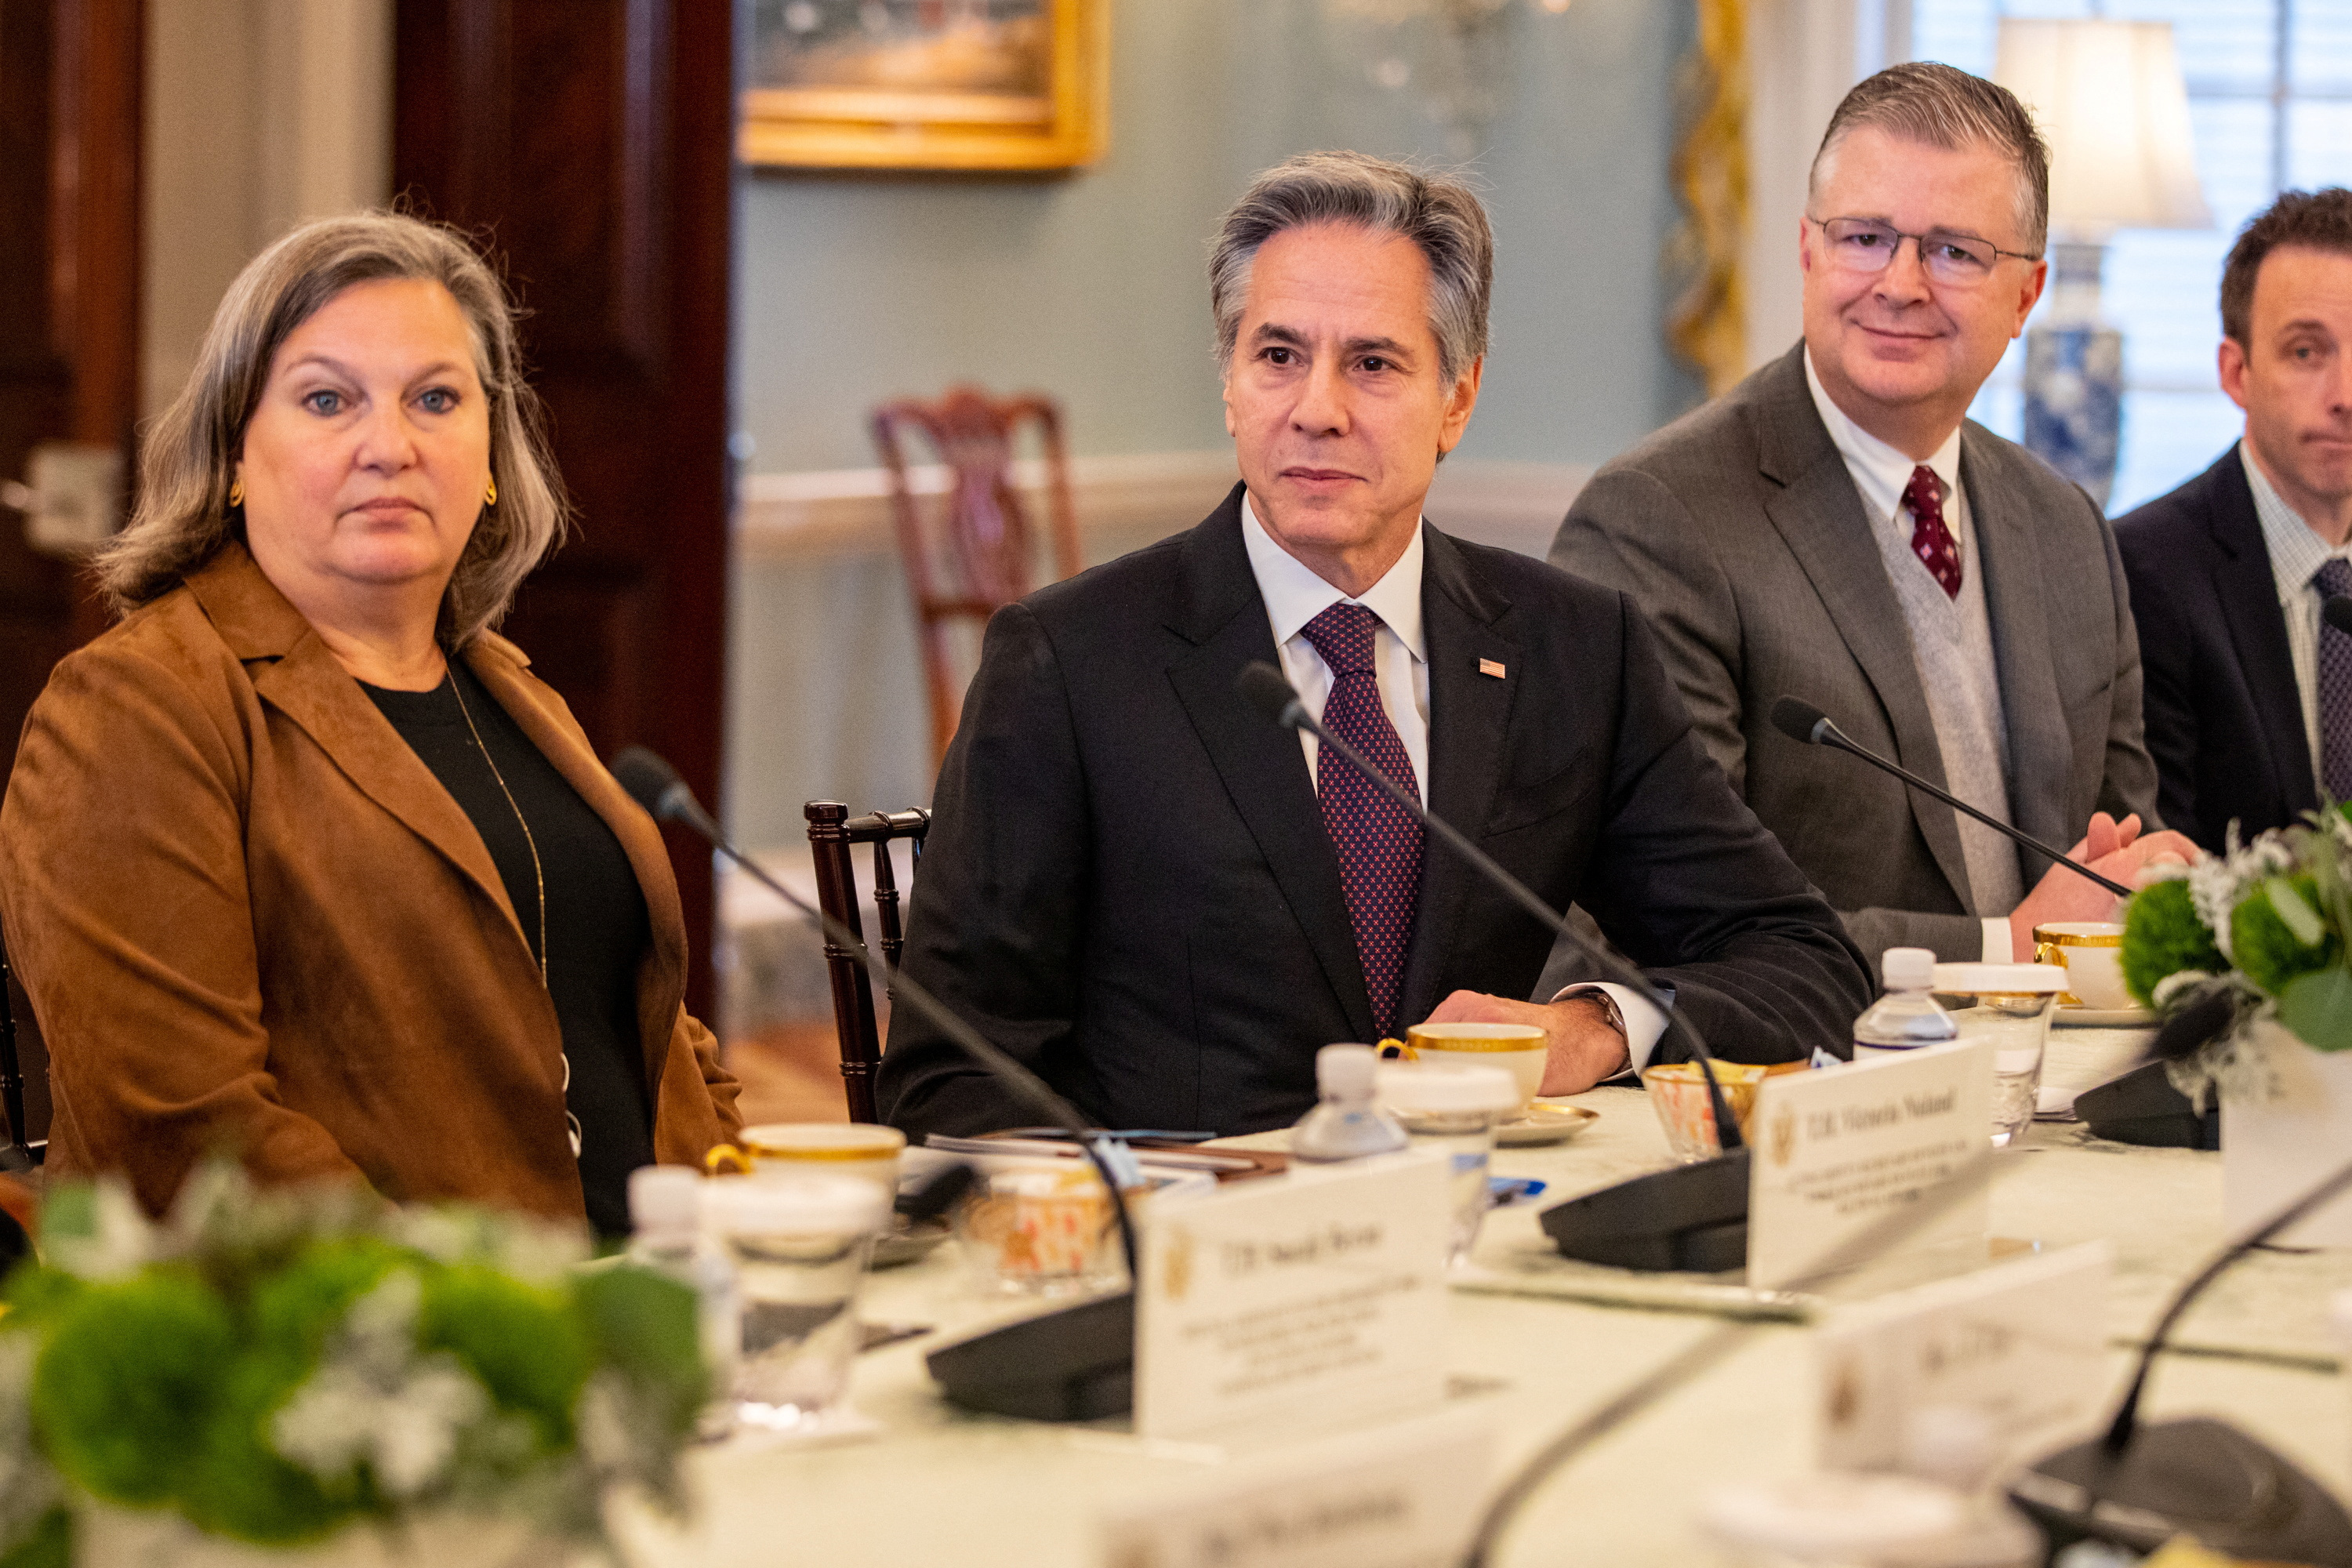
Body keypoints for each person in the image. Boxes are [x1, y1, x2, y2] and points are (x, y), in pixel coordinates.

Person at [877, 152, 1872, 1139]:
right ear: (1229, 386)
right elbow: (950, 1080)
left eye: (1372, 362)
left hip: (1491, 1247)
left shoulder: (1573, 650)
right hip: (1193, 1256)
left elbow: (1799, 958)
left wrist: (1596, 1027)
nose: (1317, 408)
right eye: (1277, 356)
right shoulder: (1068, 663)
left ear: (1459, 398)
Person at [0, 214, 740, 1231]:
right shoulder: (137, 707)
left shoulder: (513, 688)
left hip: (654, 1306)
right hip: (372, 1354)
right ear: (233, 456)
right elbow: (179, 1130)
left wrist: (751, 1218)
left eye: (436, 399)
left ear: (490, 455)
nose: (388, 447)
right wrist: (475, 1322)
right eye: (326, 400)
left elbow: (652, 1036)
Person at [1553, 63, 2196, 967]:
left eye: (1954, 251)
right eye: (1864, 237)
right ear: (1808, 250)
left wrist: (2161, 887)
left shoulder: (2066, 526)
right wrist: (2003, 945)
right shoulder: (1657, 521)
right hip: (1808, 1088)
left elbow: (2119, 854)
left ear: (2028, 294)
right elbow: (1677, 922)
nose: (1899, 283)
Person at [2115, 189, 2352, 852]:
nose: (2346, 397)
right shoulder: (2143, 571)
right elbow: (2164, 866)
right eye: (2307, 353)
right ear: (2235, 372)